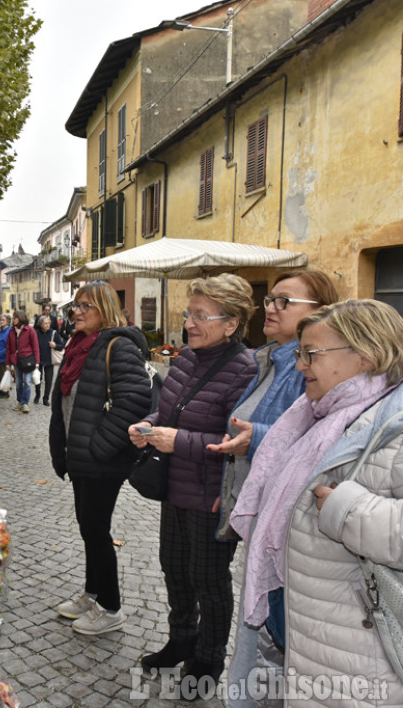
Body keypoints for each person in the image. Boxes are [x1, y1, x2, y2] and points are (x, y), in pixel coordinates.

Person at [230, 300, 403, 706]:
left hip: (360, 657)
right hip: (310, 632)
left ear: (367, 355)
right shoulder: (315, 416)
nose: (302, 364)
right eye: (299, 353)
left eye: (312, 353)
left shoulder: (393, 427)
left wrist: (347, 511)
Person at [205, 270, 338, 705]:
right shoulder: (272, 358)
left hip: (284, 525)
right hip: (259, 507)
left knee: (273, 634)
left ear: (318, 313)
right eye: (271, 300)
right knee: (260, 637)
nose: (272, 308)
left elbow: (304, 444)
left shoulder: (311, 370)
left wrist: (254, 439)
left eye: (284, 301)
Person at [130, 273, 257, 686]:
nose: (189, 323)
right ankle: (181, 640)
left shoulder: (245, 370)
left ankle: (207, 661)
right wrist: (148, 425)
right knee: (174, 570)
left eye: (202, 316)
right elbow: (167, 412)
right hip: (176, 489)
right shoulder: (185, 358)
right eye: (189, 314)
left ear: (232, 323)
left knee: (209, 582)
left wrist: (177, 441)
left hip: (212, 497)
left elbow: (236, 440)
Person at [50, 282, 152, 635]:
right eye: (74, 306)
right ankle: (92, 593)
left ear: (105, 310)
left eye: (85, 306)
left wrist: (99, 447)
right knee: (89, 529)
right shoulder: (79, 345)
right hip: (80, 458)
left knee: (97, 530)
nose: (76, 312)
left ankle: (110, 607)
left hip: (100, 462)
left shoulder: (118, 347)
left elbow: (135, 402)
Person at [5, 310, 39, 413]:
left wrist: (37, 362)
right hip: (16, 360)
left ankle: (25, 403)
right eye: (13, 318)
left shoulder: (30, 330)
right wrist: (8, 363)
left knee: (27, 382)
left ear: (20, 318)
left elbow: (36, 347)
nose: (13, 319)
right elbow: (8, 347)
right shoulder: (11, 331)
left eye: (15, 317)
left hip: (27, 360)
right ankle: (20, 402)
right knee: (19, 382)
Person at [34, 315, 64, 406]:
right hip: (38, 360)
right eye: (45, 323)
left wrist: (55, 345)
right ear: (40, 324)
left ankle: (46, 398)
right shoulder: (36, 333)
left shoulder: (53, 333)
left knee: (49, 380)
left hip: (49, 360)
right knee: (37, 379)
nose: (47, 325)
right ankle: (37, 395)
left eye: (48, 323)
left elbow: (61, 346)